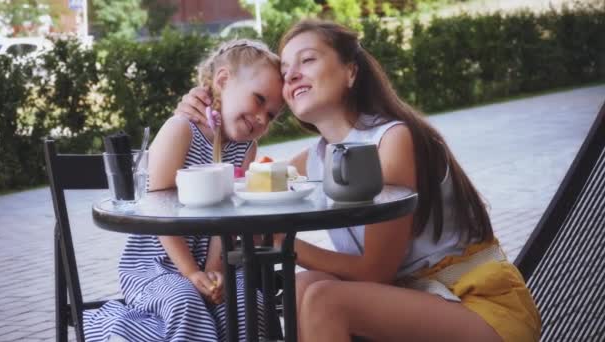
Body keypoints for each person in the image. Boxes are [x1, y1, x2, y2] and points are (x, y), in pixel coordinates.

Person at [175, 20, 540, 342]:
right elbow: (244, 185)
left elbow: (376, 271)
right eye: (286, 71)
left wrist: (283, 243)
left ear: (351, 72)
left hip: (480, 308)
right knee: (302, 286)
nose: (292, 75)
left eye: (308, 60)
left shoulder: (391, 139)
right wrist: (211, 118)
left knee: (324, 300)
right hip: (417, 301)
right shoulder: (316, 158)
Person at [84, 38, 284, 342]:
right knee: (185, 301)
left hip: (213, 262)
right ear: (223, 80)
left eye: (271, 114)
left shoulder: (246, 148)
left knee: (248, 303)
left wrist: (214, 273)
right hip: (157, 267)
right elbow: (156, 208)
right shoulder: (181, 130)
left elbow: (227, 217)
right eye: (259, 100)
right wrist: (192, 273)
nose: (261, 118)